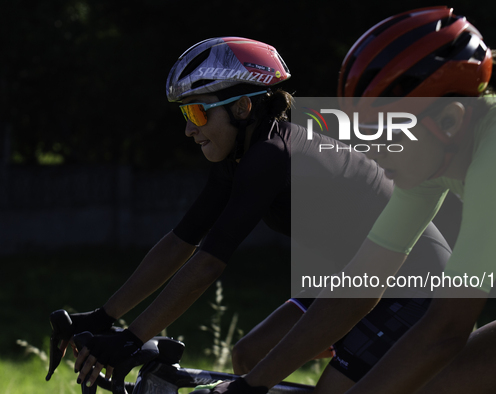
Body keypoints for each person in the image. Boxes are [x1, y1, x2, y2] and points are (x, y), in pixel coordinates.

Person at [213, 7, 496, 394]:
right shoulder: (437, 159)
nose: (373, 150)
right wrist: (250, 385)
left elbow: (445, 331)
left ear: (450, 119)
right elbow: (358, 286)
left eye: (383, 130)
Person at [66, 37, 451, 390]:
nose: (187, 129)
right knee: (249, 356)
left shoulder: (271, 155)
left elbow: (208, 266)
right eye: (184, 113)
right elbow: (180, 241)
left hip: (418, 286)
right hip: (354, 277)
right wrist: (103, 318)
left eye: (198, 114)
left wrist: (131, 339)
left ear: (242, 107)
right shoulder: (241, 153)